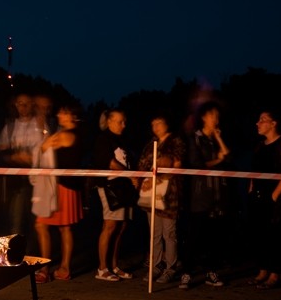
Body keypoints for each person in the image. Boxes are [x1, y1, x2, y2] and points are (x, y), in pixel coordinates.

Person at [180, 101, 230, 289]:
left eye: (217, 116)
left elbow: (229, 159)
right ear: (204, 118)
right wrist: (218, 160)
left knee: (214, 236)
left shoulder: (217, 137)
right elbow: (196, 164)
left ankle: (211, 271)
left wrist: (219, 139)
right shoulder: (195, 139)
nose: (216, 119)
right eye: (212, 116)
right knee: (194, 234)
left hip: (219, 194)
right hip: (200, 196)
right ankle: (186, 272)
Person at [32, 103, 84, 283]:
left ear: (72, 116)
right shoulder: (78, 134)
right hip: (67, 185)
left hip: (61, 187)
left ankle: (47, 268)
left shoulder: (64, 135)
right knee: (63, 228)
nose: (59, 114)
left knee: (43, 225)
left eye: (64, 111)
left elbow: (43, 147)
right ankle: (63, 268)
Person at [246, 109, 281, 289]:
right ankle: (262, 271)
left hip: (274, 198)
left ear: (273, 123)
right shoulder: (260, 146)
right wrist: (251, 188)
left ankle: (274, 274)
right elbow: (254, 170)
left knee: (275, 235)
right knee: (259, 234)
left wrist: (274, 196)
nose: (258, 123)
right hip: (258, 196)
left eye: (262, 120)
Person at [137, 114, 185, 283]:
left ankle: (171, 267)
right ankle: (156, 265)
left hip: (169, 195)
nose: (156, 127)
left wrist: (160, 173)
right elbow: (142, 164)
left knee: (169, 233)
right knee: (154, 233)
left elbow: (176, 164)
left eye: (159, 123)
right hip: (150, 193)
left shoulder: (175, 142)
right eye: (153, 124)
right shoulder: (151, 144)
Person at [92, 109, 134, 281]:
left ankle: (114, 265)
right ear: (109, 121)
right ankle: (102, 268)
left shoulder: (121, 139)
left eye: (124, 121)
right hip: (110, 187)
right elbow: (110, 162)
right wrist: (132, 176)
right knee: (109, 226)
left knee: (121, 227)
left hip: (123, 188)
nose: (124, 125)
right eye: (120, 121)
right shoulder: (103, 139)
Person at [0, 93, 44, 238]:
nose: (22, 107)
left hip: (37, 179)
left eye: (26, 103)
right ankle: (16, 253)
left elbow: (47, 151)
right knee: (16, 218)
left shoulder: (40, 125)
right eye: (19, 103)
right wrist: (14, 157)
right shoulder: (9, 128)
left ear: (32, 105)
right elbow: (2, 153)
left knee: (35, 221)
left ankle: (30, 252)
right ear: (15, 105)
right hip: (17, 181)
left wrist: (33, 158)